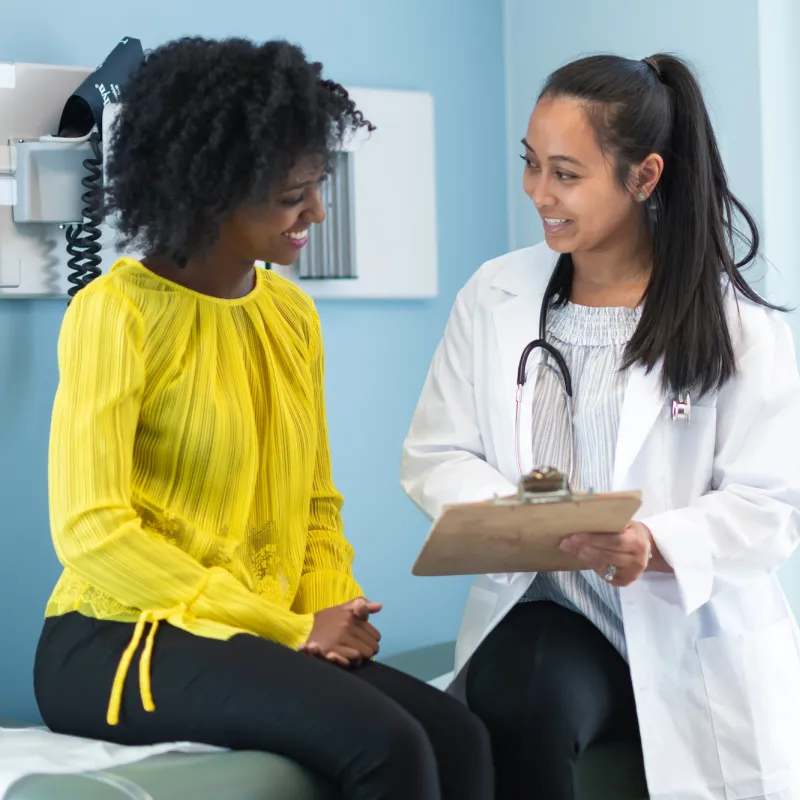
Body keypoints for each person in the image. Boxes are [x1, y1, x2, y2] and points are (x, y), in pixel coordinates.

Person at [34, 36, 493, 800]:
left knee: (461, 738)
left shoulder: (289, 315)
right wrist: (288, 628)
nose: (318, 210)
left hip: (251, 632)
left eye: (318, 185)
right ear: (209, 192)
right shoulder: (112, 314)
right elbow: (92, 532)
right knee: (388, 745)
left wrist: (331, 611)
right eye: (292, 195)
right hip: (114, 636)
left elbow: (314, 502)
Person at [401, 52, 800, 800]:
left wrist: (654, 543)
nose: (538, 194)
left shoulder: (739, 328)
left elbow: (771, 505)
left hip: (684, 629)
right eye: (531, 165)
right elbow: (438, 450)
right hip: (549, 607)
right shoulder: (498, 294)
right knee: (523, 692)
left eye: (566, 173)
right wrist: (518, 518)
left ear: (644, 177)